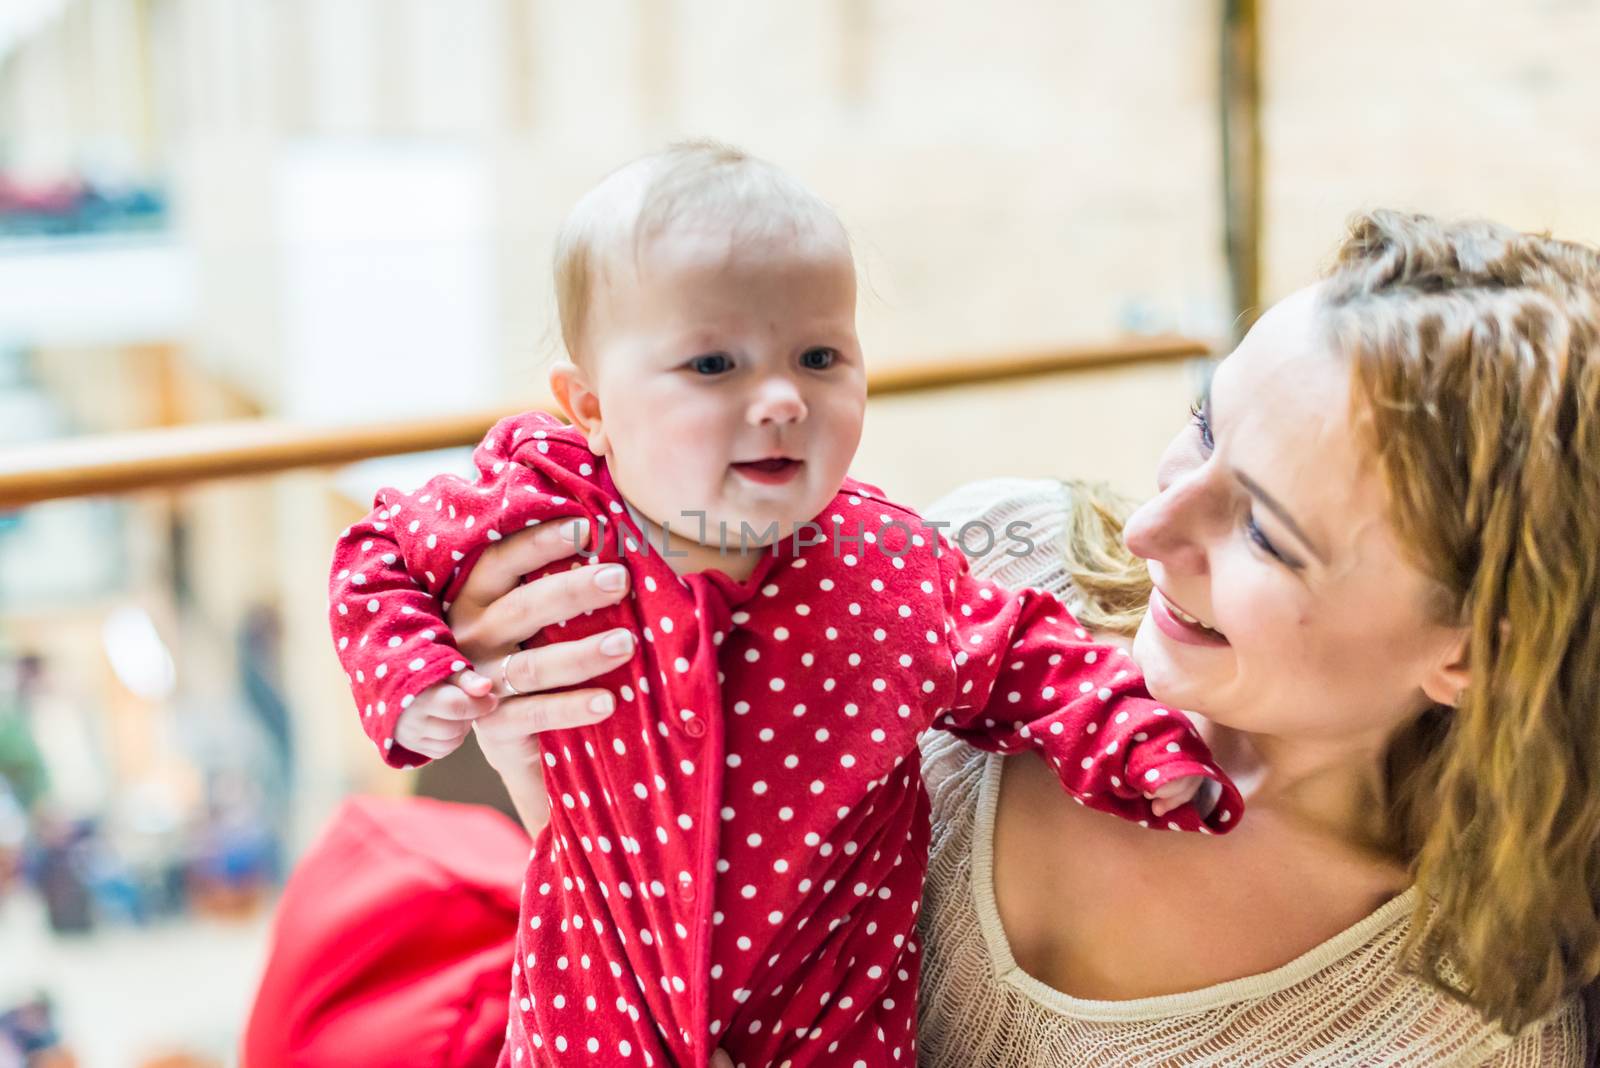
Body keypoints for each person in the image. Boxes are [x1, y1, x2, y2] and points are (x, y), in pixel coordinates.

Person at [452, 210, 1596, 1064]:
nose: (1152, 528)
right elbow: (676, 886)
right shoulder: (992, 557)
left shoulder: (1446, 1033)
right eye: (1201, 423)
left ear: (1474, 650)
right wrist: (543, 750)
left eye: (1264, 532)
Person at [326, 142, 1234, 1066]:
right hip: (591, 1019)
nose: (781, 399)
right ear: (590, 408)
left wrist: (1138, 744)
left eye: (818, 356)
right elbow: (381, 553)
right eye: (715, 364)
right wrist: (413, 677)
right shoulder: (546, 508)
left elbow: (1028, 658)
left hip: (823, 1032)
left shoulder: (890, 568)